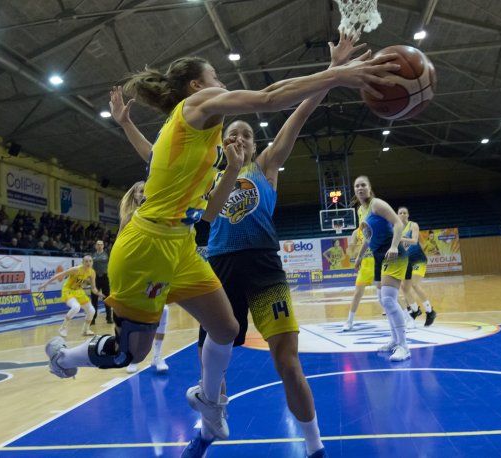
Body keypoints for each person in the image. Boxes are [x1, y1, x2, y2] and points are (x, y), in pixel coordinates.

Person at [44, 43, 398, 458]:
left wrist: (231, 168)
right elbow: (269, 98)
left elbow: (203, 204)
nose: (222, 83)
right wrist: (340, 75)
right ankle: (64, 358)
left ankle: (211, 408)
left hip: (188, 244)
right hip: (150, 245)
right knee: (130, 353)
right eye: (217, 76)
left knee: (228, 331)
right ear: (197, 85)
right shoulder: (198, 104)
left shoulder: (211, 148)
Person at [353, 176, 411, 362]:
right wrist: (360, 256)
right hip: (378, 256)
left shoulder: (377, 204)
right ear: (354, 190)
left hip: (393, 253)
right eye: (357, 186)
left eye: (363, 185)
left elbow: (398, 223)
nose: (360, 188)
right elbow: (368, 237)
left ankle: (404, 346)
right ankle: (394, 340)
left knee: (388, 299)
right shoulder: (360, 211)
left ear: (370, 188)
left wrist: (394, 246)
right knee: (382, 299)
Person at [118, 181, 170, 374]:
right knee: (136, 317)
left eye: (147, 191)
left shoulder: (158, 214)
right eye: (141, 191)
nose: (144, 194)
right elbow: (120, 247)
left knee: (163, 312)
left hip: (157, 269)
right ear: (135, 195)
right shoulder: (129, 218)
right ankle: (133, 357)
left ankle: (157, 356)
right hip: (136, 271)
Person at [39, 255, 104, 337]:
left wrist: (100, 294)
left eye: (90, 261)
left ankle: (86, 330)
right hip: (68, 290)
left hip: (79, 291)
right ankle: (63, 328)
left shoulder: (92, 272)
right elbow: (60, 275)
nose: (88, 263)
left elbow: (94, 288)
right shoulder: (76, 269)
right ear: (83, 262)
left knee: (92, 310)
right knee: (76, 307)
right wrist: (46, 283)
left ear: (92, 262)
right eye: (86, 261)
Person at [396, 207, 437, 327]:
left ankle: (430, 311)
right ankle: (415, 310)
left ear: (408, 215)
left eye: (405, 212)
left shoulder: (413, 225)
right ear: (397, 215)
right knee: (404, 287)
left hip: (418, 259)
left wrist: (399, 239)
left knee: (414, 284)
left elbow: (414, 241)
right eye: (400, 213)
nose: (403, 214)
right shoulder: (396, 229)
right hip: (406, 262)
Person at [342, 225, 374, 331]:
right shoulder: (356, 233)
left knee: (389, 293)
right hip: (365, 267)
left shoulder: (377, 227)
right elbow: (351, 252)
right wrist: (356, 251)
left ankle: (407, 318)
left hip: (379, 264)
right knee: (357, 294)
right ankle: (349, 321)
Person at [90, 240, 113, 325]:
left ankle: (109, 317)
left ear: (103, 246)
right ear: (96, 246)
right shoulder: (93, 255)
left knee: (107, 298)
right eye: (98, 244)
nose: (99, 246)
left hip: (105, 278)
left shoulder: (107, 254)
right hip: (95, 278)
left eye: (101, 244)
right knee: (94, 299)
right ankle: (92, 318)